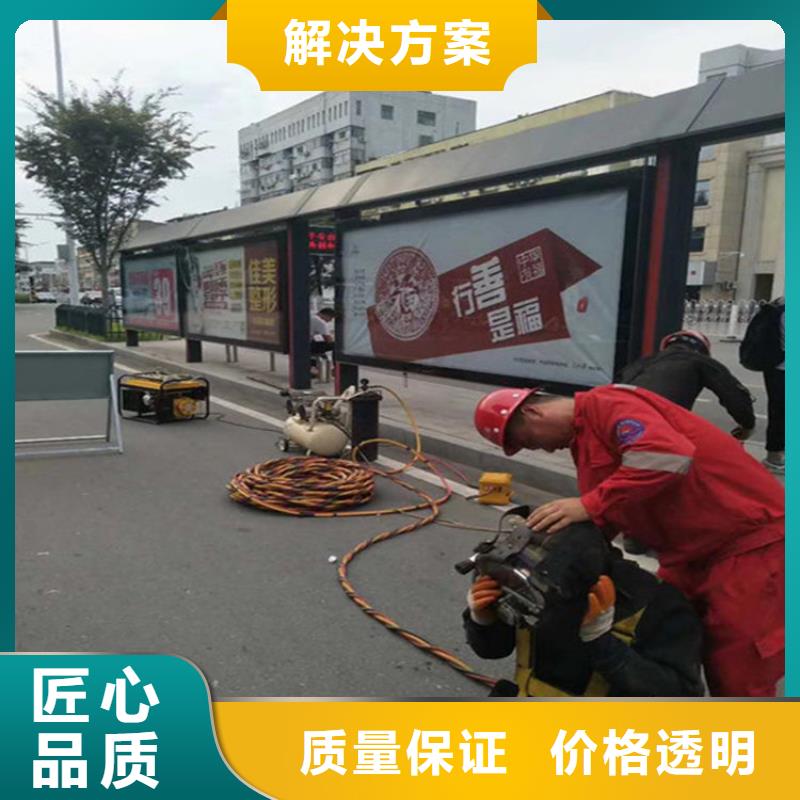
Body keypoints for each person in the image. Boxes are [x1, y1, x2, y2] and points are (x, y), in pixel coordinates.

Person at [473, 384, 784, 697]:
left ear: (533, 412)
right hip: (686, 556)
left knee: (737, 671)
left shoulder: (608, 405)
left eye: (530, 441)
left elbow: (667, 456)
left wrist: (588, 504)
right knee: (657, 624)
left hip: (751, 547)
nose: (545, 450)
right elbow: (607, 516)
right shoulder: (584, 444)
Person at [464, 519, 704, 697]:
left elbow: (678, 696)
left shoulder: (656, 604)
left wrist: (603, 644)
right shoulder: (524, 582)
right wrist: (482, 620)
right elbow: (493, 650)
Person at [619, 329, 755, 439]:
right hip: (660, 424)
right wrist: (747, 425)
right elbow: (733, 394)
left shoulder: (642, 362)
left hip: (619, 419)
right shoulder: (701, 361)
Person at [310, 307, 335, 377]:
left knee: (318, 347)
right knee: (336, 346)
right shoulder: (321, 322)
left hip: (303, 343)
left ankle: (313, 367)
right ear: (325, 315)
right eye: (331, 318)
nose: (330, 320)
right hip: (310, 345)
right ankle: (335, 369)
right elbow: (328, 339)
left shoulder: (312, 317)